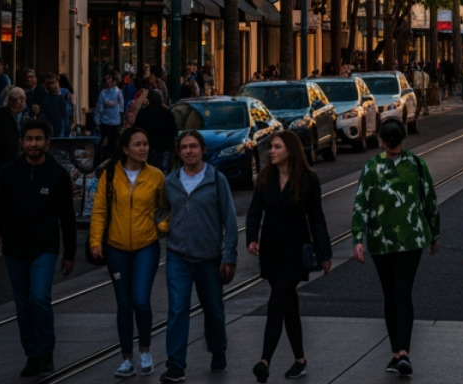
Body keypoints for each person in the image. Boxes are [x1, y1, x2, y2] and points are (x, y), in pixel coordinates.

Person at [0, 118, 78, 377]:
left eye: (38, 139)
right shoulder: (8, 172)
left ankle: (46, 352)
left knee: (39, 299)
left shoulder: (57, 175)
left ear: (47, 143)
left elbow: (67, 218)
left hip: (44, 249)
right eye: (29, 139)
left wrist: (69, 254)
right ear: (21, 142)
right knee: (23, 305)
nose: (34, 144)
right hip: (14, 249)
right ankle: (32, 354)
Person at [351, 117, 440, 377]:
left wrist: (358, 239)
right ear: (403, 139)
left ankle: (396, 352)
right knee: (403, 292)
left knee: (391, 294)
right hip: (412, 240)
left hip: (381, 240)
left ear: (380, 140)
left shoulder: (371, 168)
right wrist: (435, 235)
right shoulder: (417, 164)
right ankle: (404, 352)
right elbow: (430, 202)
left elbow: (360, 205)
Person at [245, 132, 331, 382]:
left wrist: (324, 253)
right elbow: (254, 212)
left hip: (295, 250)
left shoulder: (308, 180)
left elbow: (317, 218)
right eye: (271, 147)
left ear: (290, 150)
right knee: (288, 305)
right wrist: (252, 237)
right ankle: (300, 360)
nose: (271, 151)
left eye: (277, 147)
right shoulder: (265, 178)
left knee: (276, 301)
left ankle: (264, 361)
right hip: (272, 251)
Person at [90, 126, 170, 378]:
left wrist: (161, 227)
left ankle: (145, 349)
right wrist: (95, 241)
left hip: (146, 246)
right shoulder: (110, 175)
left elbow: (167, 207)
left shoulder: (156, 176)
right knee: (123, 304)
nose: (143, 148)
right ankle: (126, 358)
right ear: (125, 149)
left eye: (145, 144)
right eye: (137, 144)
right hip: (116, 248)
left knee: (140, 300)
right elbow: (100, 209)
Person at [162, 130, 237, 383]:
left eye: (193, 146)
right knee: (177, 309)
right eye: (184, 147)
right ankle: (175, 365)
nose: (188, 151)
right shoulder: (171, 181)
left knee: (214, 311)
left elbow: (229, 220)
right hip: (178, 256)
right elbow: (160, 211)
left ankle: (218, 349)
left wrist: (229, 256)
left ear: (203, 150)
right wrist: (162, 225)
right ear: (179, 151)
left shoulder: (216, 180)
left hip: (209, 258)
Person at [134, 85, 178, 173]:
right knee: (163, 172)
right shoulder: (167, 113)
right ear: (161, 99)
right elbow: (174, 130)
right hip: (165, 148)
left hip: (149, 148)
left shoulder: (143, 113)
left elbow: (136, 130)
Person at [0, 87, 29, 172]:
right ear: (12, 101)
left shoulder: (27, 116)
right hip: (3, 159)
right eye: (21, 99)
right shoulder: (0, 115)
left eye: (24, 98)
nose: (23, 101)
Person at [96, 72, 126, 161]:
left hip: (114, 121)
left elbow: (121, 107)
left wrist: (121, 120)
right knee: (106, 143)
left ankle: (111, 159)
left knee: (113, 143)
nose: (108, 82)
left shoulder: (117, 92)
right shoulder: (103, 93)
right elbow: (99, 107)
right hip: (105, 121)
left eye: (110, 79)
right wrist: (98, 121)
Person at [39, 74, 70, 138]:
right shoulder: (45, 100)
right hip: (50, 132)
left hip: (63, 131)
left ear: (57, 82)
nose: (51, 86)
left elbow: (67, 115)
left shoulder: (65, 95)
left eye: (53, 83)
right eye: (48, 84)